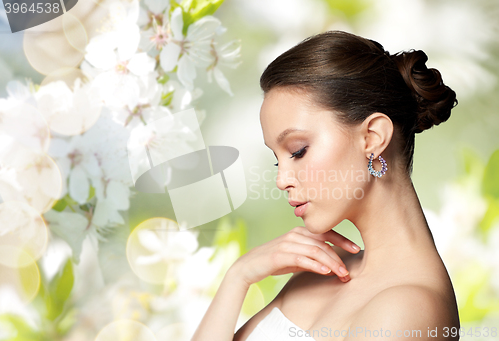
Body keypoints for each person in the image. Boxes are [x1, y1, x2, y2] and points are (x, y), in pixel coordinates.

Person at [192, 30, 460, 341]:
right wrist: (238, 277)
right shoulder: (324, 271)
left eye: (298, 151)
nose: (281, 180)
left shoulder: (407, 309)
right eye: (278, 160)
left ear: (372, 138)